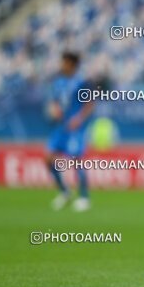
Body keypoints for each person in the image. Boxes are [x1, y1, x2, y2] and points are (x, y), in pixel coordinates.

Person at [47, 52, 95, 212]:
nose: (62, 65)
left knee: (76, 161)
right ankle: (65, 191)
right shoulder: (58, 82)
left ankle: (84, 197)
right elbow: (54, 101)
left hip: (75, 128)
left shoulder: (82, 82)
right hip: (60, 127)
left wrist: (79, 118)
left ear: (72, 64)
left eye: (65, 62)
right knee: (48, 159)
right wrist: (54, 109)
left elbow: (89, 103)